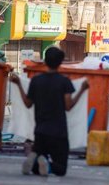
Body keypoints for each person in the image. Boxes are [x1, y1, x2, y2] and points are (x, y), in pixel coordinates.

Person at [11, 47, 89, 177]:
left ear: (45, 61)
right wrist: (82, 89)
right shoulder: (64, 81)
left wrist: (19, 83)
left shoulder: (36, 81)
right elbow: (68, 106)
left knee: (37, 169)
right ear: (60, 63)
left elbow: (27, 103)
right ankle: (47, 165)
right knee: (61, 169)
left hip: (40, 132)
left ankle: (36, 157)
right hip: (59, 133)